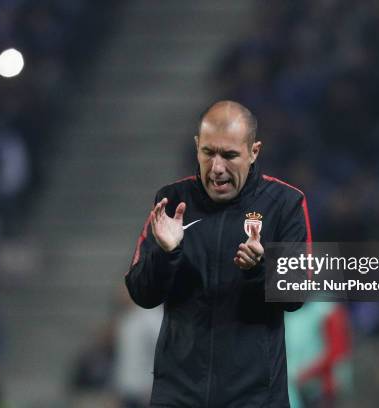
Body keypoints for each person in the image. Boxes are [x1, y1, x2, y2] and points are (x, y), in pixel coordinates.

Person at [125, 100, 312, 407]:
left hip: (254, 399)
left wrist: (259, 269)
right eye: (208, 153)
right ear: (197, 146)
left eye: (229, 155)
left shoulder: (285, 203)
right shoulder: (172, 201)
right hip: (178, 397)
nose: (217, 168)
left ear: (254, 152)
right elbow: (142, 294)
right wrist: (166, 253)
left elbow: (295, 296)